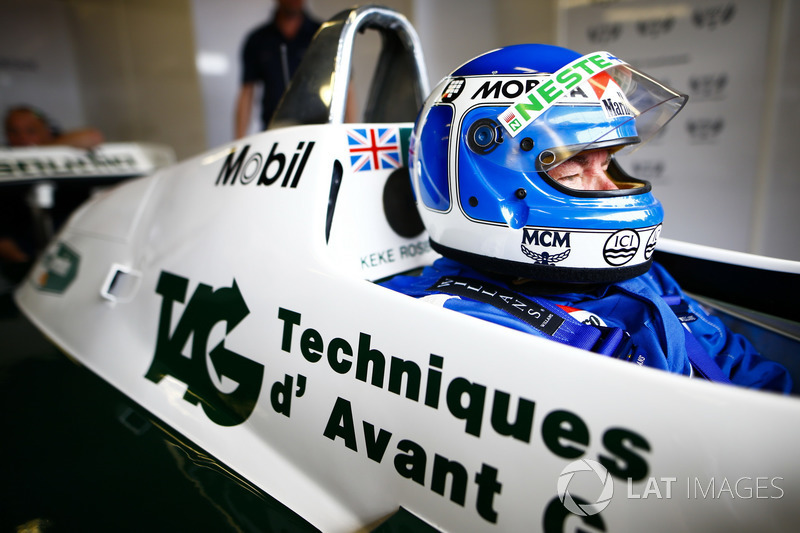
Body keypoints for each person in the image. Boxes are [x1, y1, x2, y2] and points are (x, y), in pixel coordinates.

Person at [381, 44, 792, 394]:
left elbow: (744, 369)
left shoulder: (639, 276)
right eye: (574, 165)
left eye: (608, 161)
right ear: (484, 183)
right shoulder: (454, 325)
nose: (610, 188)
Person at [234, 0, 321, 138]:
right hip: (274, 133)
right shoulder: (257, 40)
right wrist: (238, 144)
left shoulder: (323, 33)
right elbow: (247, 93)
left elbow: (345, 84)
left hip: (318, 131)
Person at [4, 105, 104, 149]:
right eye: (13, 131)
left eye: (30, 131)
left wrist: (38, 149)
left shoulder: (57, 144)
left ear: (47, 132)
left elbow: (92, 137)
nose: (21, 138)